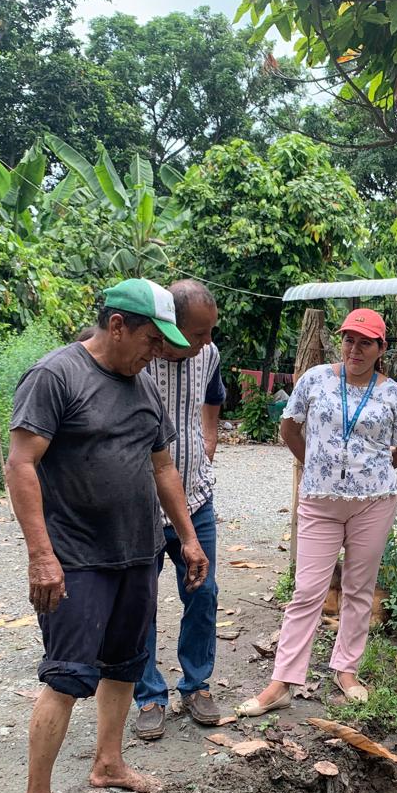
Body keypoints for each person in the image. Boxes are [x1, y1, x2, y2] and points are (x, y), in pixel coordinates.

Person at [5, 278, 209, 793]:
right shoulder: (56, 376)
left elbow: (163, 467)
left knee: (124, 665)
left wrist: (188, 539)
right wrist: (41, 556)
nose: (157, 353)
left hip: (137, 552)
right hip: (76, 558)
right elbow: (20, 464)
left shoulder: (143, 386)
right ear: (117, 325)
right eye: (151, 339)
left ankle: (109, 764)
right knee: (67, 676)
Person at [237, 308, 397, 716]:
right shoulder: (315, 379)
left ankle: (346, 671)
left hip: (373, 503)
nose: (355, 349)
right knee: (307, 591)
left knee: (358, 588)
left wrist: (371, 471)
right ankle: (281, 682)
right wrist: (316, 466)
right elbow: (289, 428)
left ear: (381, 348)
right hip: (320, 502)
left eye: (365, 343)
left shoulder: (393, 394)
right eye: (349, 340)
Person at [131, 279, 227, 739]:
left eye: (211, 332)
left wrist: (208, 439)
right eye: (198, 333)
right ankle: (148, 694)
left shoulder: (209, 355)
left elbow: (214, 398)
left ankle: (196, 685)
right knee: (140, 602)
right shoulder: (137, 358)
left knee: (202, 593)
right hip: (140, 505)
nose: (207, 342)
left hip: (196, 498)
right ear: (170, 326)